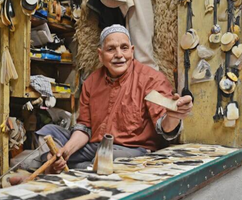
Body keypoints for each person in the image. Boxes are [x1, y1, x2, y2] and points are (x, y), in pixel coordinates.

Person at [36, 24, 193, 174]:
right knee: (46, 133)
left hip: (131, 150)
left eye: (124, 48)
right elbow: (85, 128)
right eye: (111, 49)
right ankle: (57, 163)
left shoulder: (150, 79)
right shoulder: (91, 82)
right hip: (95, 144)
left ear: (132, 51)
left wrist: (173, 116)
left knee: (104, 160)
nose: (119, 55)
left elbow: (164, 126)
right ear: (101, 54)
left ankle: (59, 167)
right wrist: (65, 151)